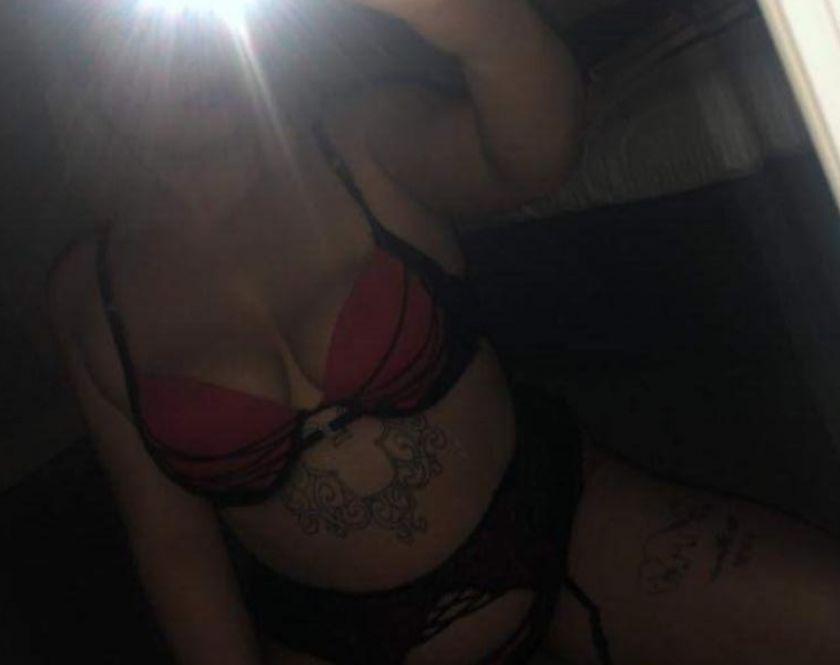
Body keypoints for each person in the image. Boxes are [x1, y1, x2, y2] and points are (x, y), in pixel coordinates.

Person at [43, 1, 840, 663]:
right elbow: (176, 545)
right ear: (88, 70)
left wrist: (472, 21)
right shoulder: (88, 295)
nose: (189, 58)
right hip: (334, 639)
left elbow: (534, 159)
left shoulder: (360, 141)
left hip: (560, 522)